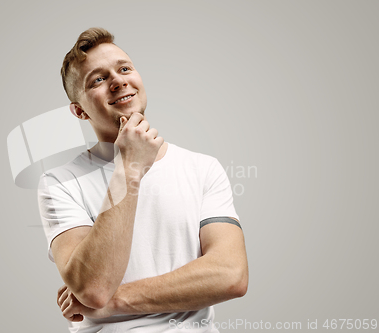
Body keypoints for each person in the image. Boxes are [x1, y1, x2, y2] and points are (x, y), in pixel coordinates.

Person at [37, 27, 248, 332]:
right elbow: (94, 287)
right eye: (98, 79)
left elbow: (231, 275)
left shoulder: (203, 168)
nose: (118, 81)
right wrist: (130, 167)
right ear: (79, 111)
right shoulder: (59, 182)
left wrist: (114, 301)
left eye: (124, 69)